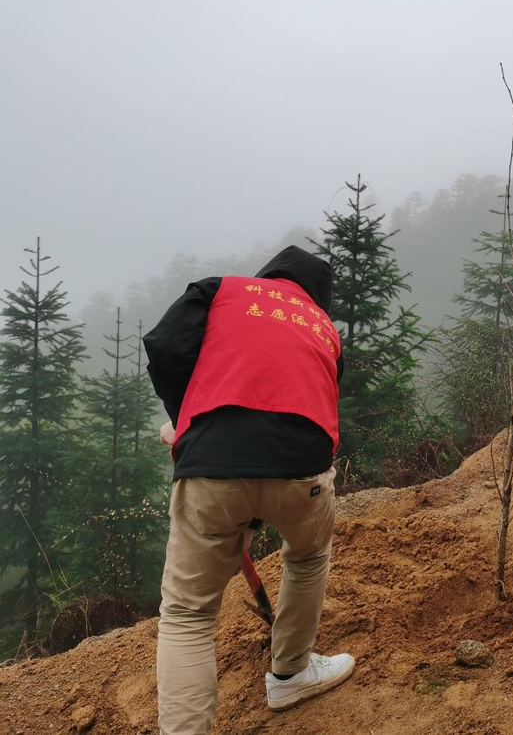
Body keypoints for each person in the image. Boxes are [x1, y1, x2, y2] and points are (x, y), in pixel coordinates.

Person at [144, 246, 355, 734]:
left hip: (212, 464)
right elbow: (311, 395)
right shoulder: (323, 326)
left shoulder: (221, 291)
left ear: (269, 276)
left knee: (188, 613)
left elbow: (165, 346)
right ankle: (291, 673)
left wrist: (184, 420)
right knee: (307, 558)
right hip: (304, 469)